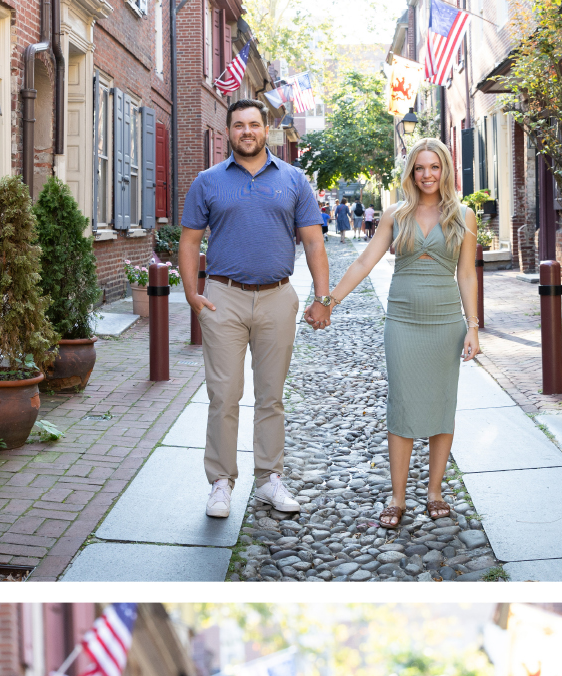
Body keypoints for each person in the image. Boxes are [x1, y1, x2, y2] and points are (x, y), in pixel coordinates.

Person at [306, 139, 479, 528]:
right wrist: (328, 301)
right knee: (401, 404)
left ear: (445, 170)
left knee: (441, 405)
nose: (427, 174)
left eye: (434, 167)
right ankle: (398, 497)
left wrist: (473, 327)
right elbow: (366, 260)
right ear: (411, 173)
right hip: (402, 322)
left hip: (445, 323)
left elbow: (467, 273)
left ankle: (434, 492)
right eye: (420, 168)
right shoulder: (395, 215)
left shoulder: (463, 216)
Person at [178, 101, 333, 521]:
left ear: (267, 129)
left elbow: (315, 242)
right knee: (223, 395)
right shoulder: (208, 182)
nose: (247, 131)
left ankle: (268, 479)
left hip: (278, 297)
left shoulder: (293, 180)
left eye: (254, 124)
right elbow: (190, 241)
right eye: (239, 125)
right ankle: (220, 482)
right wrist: (193, 294)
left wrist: (322, 297)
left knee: (271, 397)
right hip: (223, 297)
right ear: (228, 131)